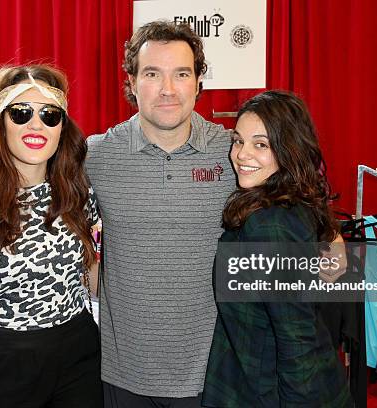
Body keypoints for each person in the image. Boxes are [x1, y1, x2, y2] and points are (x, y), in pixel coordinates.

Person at [85, 21, 235, 407]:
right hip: (123, 374)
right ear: (132, 82)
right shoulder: (97, 155)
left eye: (181, 74)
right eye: (152, 74)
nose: (168, 89)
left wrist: (327, 234)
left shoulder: (234, 153)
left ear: (199, 81)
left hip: (214, 373)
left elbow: (295, 199)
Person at [0, 64, 102, 408]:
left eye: (49, 115)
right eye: (20, 112)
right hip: (6, 362)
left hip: (79, 355)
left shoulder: (79, 192)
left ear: (62, 128)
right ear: (1, 123)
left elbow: (94, 278)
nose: (35, 124)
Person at [202, 91, 352, 407]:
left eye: (261, 144)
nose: (241, 154)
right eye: (238, 140)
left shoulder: (270, 226)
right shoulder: (284, 200)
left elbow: (296, 339)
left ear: (288, 150)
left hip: (274, 391)